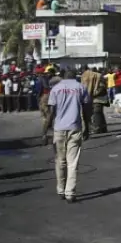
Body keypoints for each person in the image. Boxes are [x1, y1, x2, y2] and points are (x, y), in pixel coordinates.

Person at [48, 68, 91, 203]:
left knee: (60, 161)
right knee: (73, 162)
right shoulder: (81, 87)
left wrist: (48, 128)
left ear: (63, 76)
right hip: (75, 127)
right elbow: (86, 108)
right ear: (75, 77)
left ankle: (61, 190)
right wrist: (87, 126)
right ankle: (70, 193)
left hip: (59, 128)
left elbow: (51, 110)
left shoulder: (55, 89)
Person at [80, 69, 108, 135]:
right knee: (99, 112)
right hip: (100, 97)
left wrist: (93, 93)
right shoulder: (98, 76)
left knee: (96, 112)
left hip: (97, 97)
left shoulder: (90, 76)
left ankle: (97, 128)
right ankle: (103, 128)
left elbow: (101, 87)